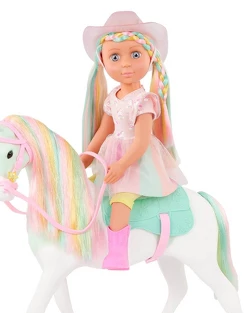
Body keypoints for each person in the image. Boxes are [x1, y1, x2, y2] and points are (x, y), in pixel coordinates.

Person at [80, 11, 188, 270]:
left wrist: (122, 165)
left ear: (150, 58)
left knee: (121, 201)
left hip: (137, 163)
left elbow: (141, 142)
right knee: (91, 193)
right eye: (115, 57)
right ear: (103, 62)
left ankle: (118, 254)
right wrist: (82, 160)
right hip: (112, 158)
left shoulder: (145, 100)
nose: (126, 64)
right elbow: (102, 133)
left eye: (135, 55)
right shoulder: (112, 97)